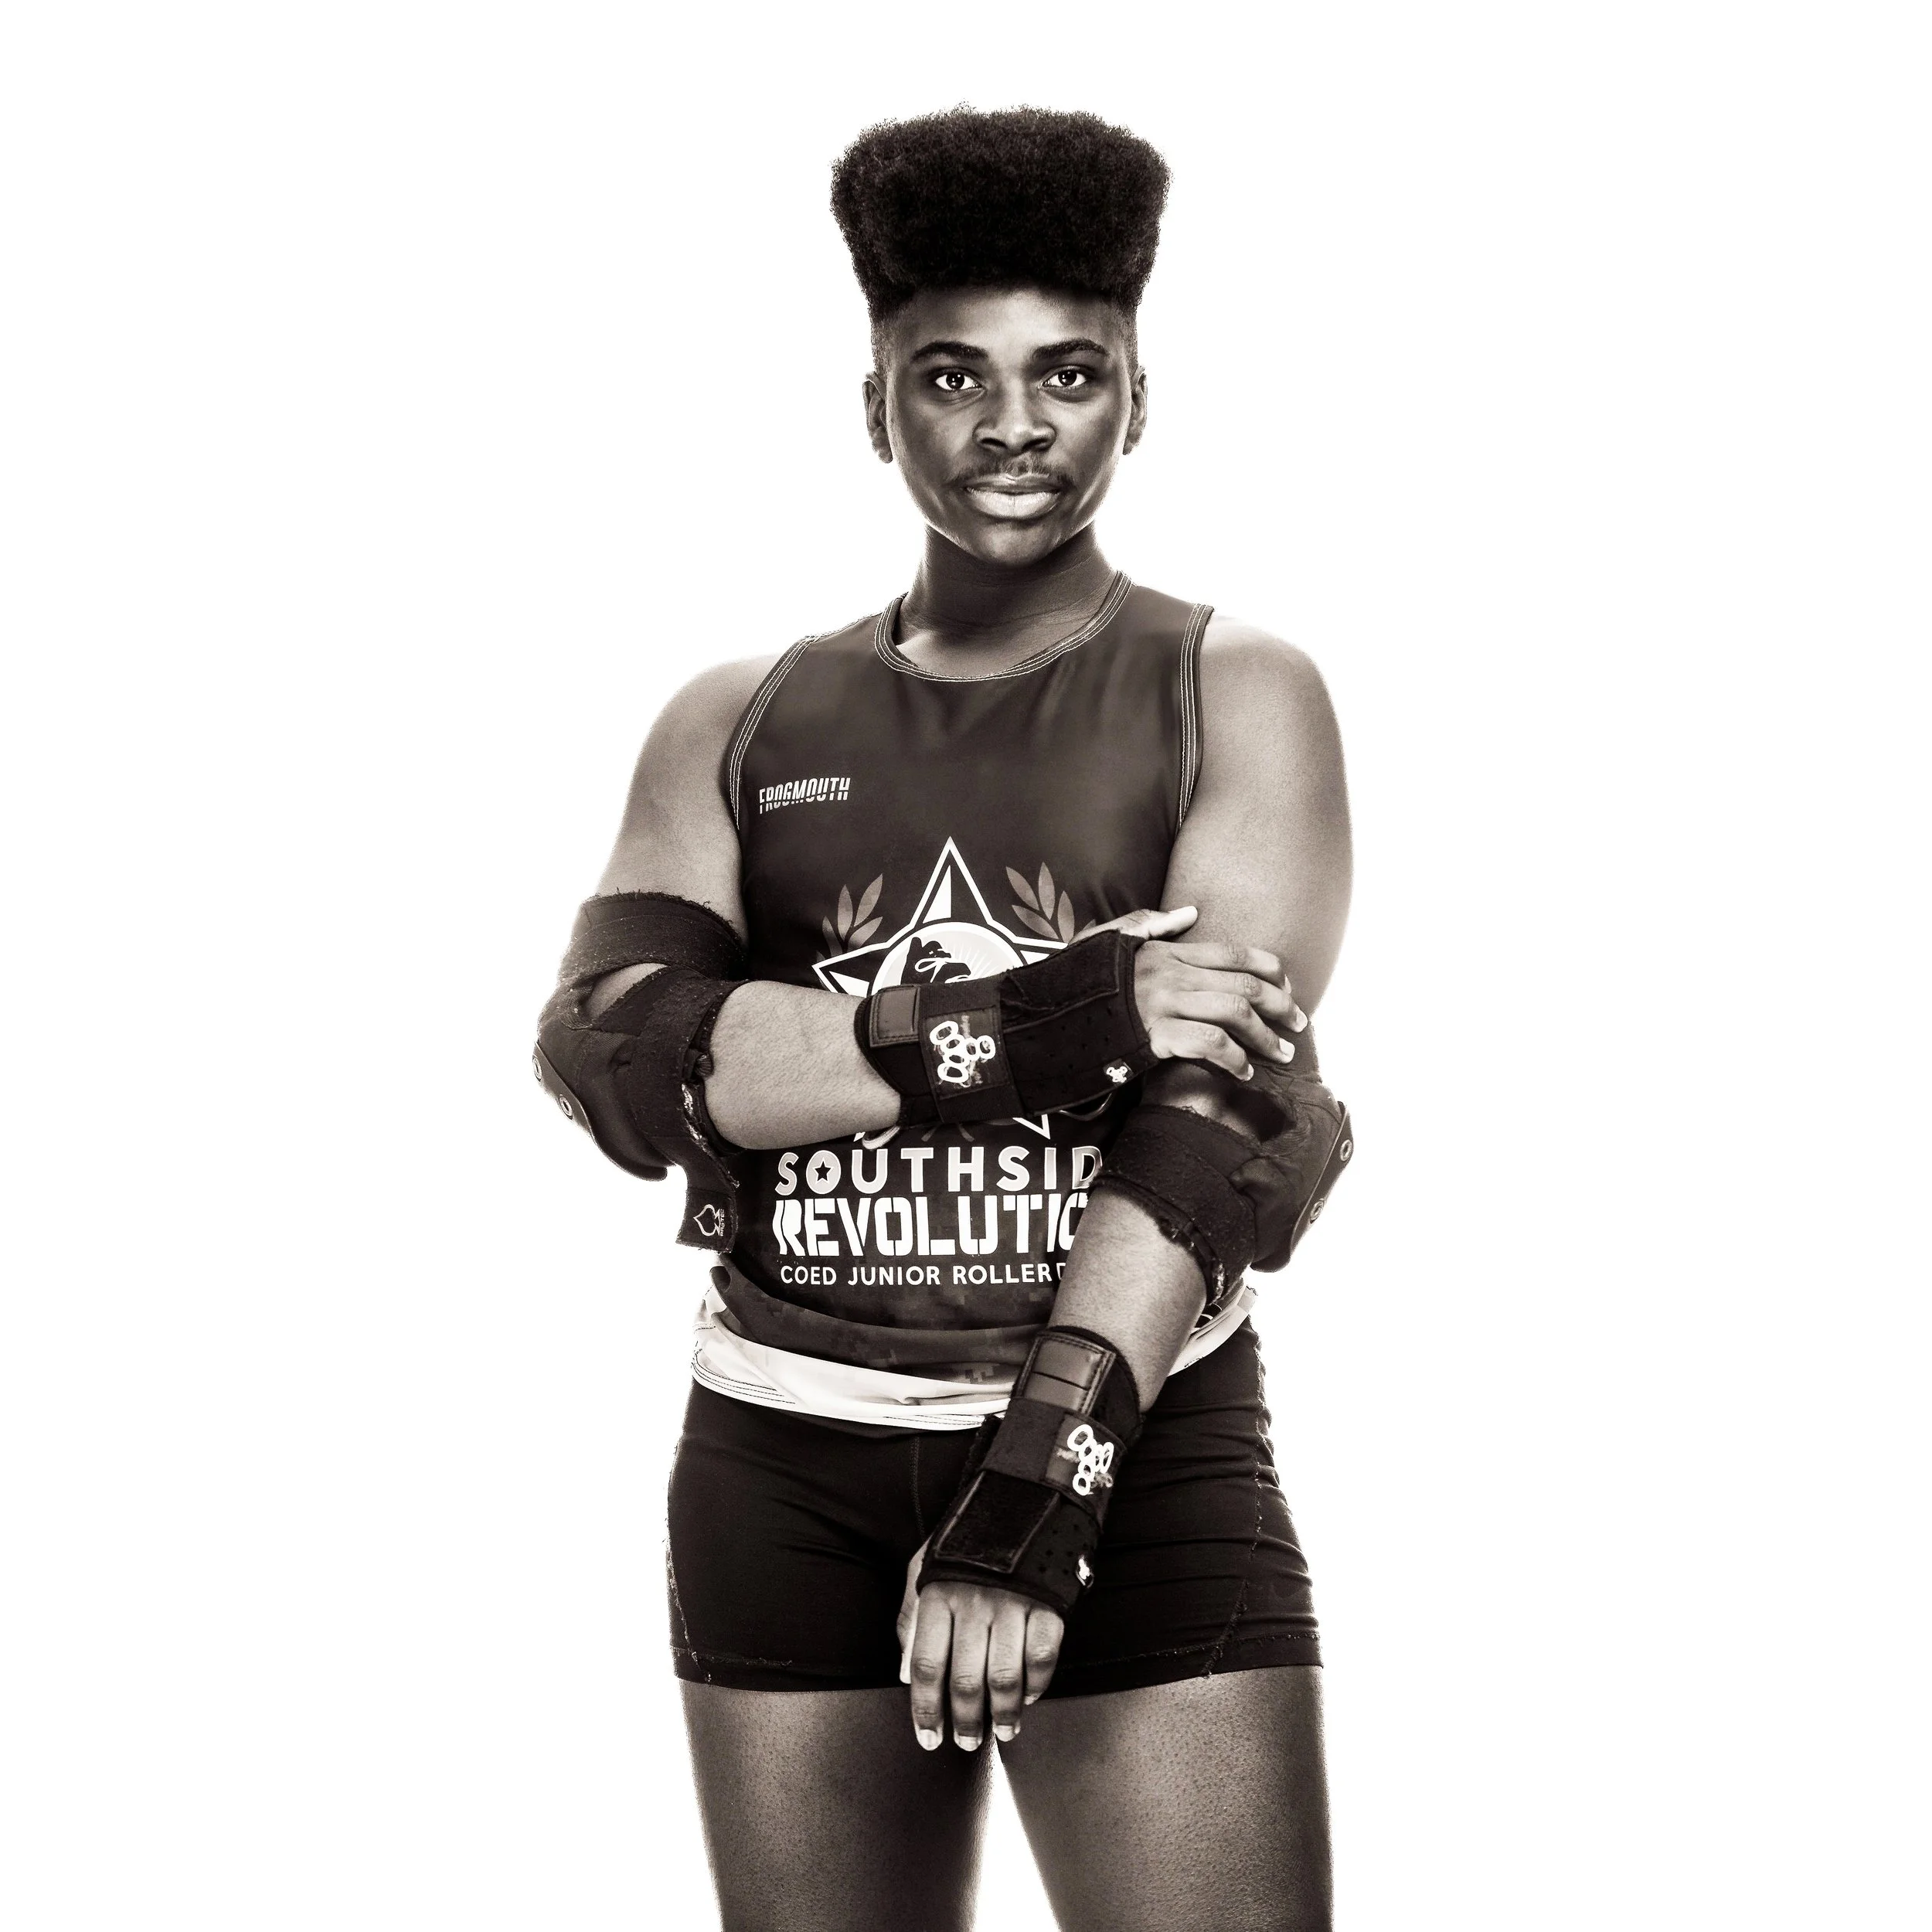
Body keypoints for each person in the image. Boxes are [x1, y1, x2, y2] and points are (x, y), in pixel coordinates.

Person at [536, 107, 1354, 1932]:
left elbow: (1212, 1118)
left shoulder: (1231, 686)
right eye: (950, 373)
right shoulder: (736, 717)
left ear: (1135, 398)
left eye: (1066, 371)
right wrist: (1063, 1012)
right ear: (873, 404)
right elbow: (617, 1055)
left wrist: (1037, 1489)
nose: (1010, 424)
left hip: (1129, 1436)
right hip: (778, 1453)